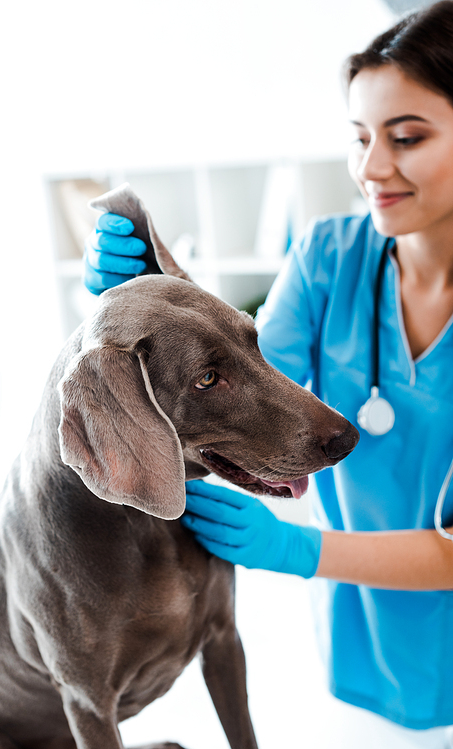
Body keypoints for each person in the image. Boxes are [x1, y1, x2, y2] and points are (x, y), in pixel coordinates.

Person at [83, 2, 453, 745]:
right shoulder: (331, 257)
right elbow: (234, 391)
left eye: (406, 138)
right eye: (359, 138)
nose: (371, 168)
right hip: (361, 656)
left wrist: (299, 549)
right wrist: (143, 298)